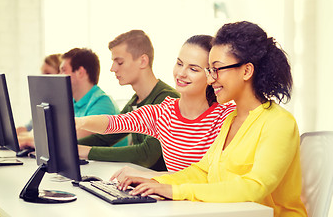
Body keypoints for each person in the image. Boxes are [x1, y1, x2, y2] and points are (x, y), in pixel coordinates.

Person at [114, 21, 307, 217]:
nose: (210, 79)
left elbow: (254, 187)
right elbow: (202, 171)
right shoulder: (231, 119)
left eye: (217, 69)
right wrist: (155, 183)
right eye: (209, 70)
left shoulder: (279, 123)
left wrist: (175, 191)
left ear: (246, 71)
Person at [76, 34, 235, 173]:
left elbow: (215, 177)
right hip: (174, 201)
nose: (181, 73)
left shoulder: (226, 116)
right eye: (179, 64)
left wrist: (153, 178)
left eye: (193, 69)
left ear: (211, 75)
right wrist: (80, 122)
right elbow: (113, 123)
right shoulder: (163, 112)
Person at [77, 30, 180, 171]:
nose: (113, 69)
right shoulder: (135, 101)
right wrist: (68, 148)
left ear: (143, 61)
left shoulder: (168, 99)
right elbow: (105, 138)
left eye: (119, 62)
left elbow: (146, 154)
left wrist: (86, 152)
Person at [16, 53, 62, 135]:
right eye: (42, 74)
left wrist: (25, 137)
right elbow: (29, 127)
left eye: (48, 74)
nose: (42, 79)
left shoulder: (65, 103)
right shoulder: (46, 99)